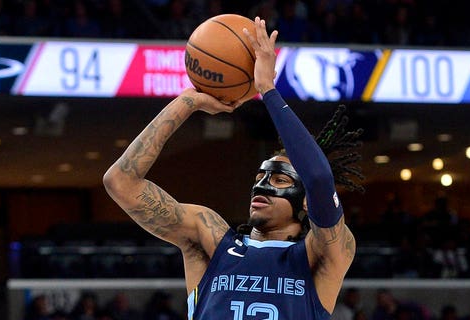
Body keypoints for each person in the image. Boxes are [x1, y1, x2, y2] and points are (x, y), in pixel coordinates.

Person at [103, 16, 363, 319]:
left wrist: (268, 90)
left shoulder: (321, 253)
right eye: (260, 176)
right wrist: (187, 101)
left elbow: (318, 178)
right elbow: (120, 181)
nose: (261, 185)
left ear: (306, 201)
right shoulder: (209, 239)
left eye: (279, 179)